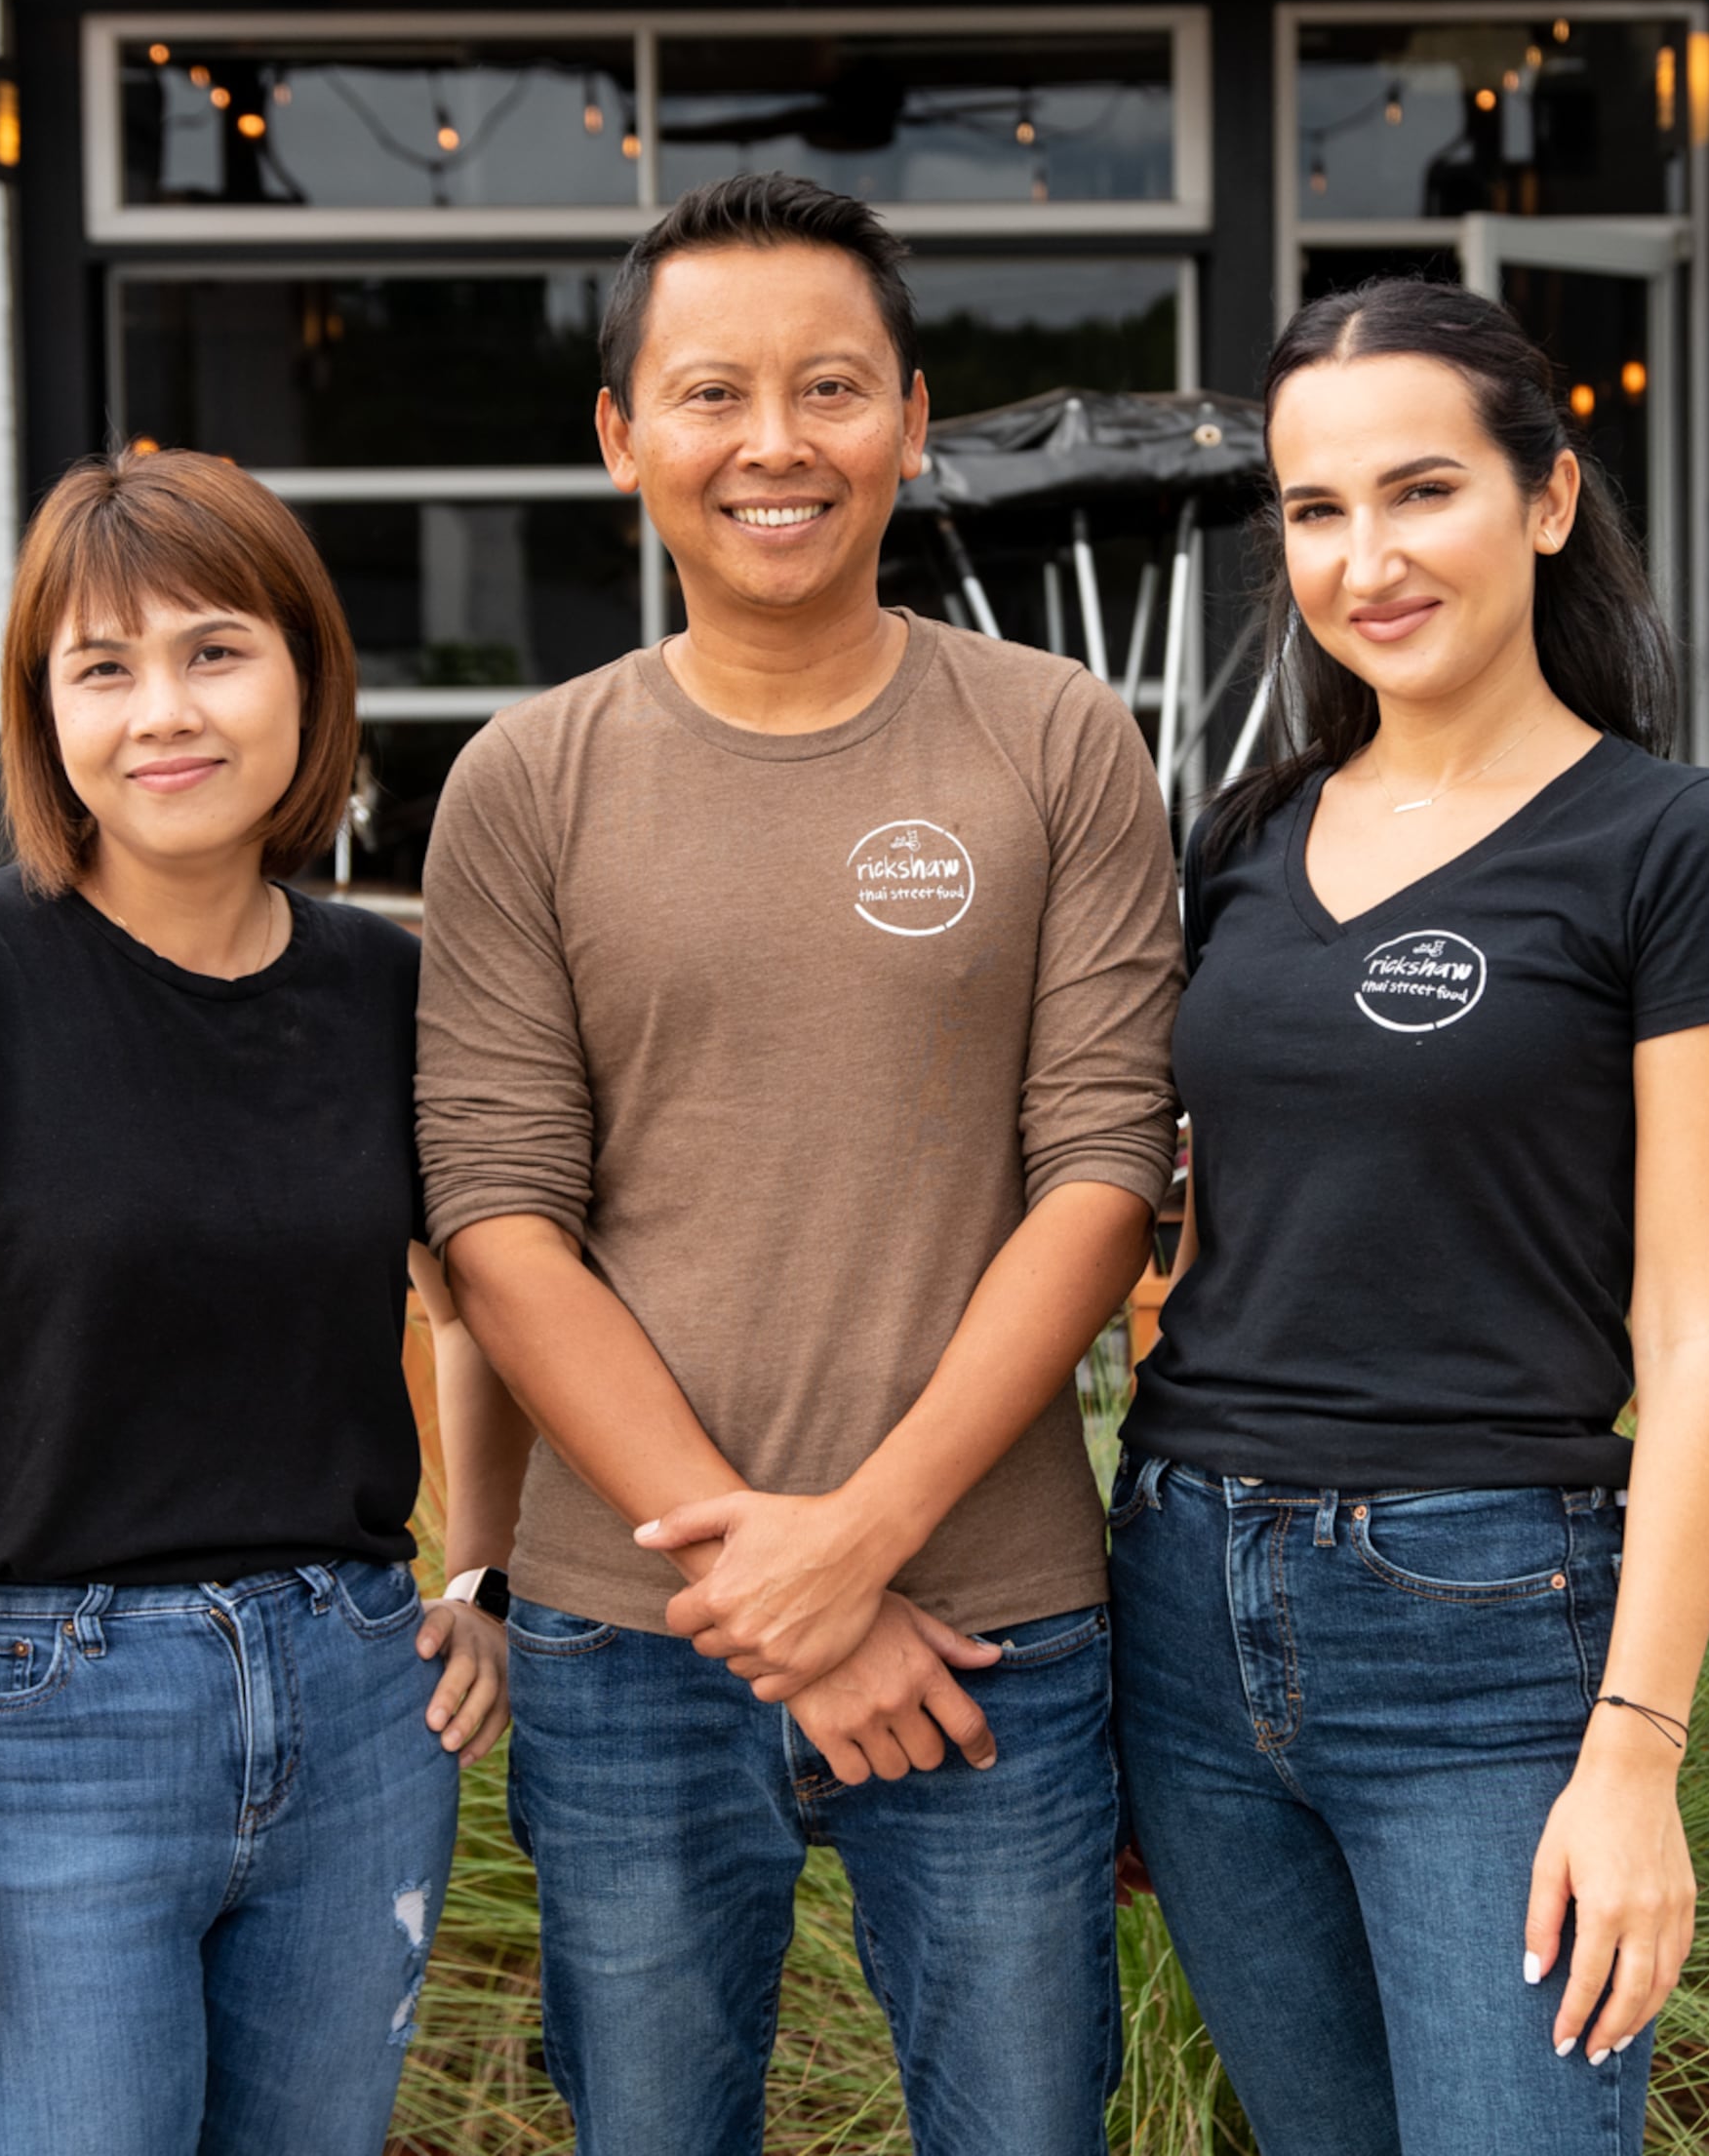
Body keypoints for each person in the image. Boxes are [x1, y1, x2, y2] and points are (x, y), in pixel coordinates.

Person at [417, 173, 1181, 2156]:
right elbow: (499, 1220)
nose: (775, 443)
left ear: (913, 419)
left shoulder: (1056, 739)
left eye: (831, 386)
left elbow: (1099, 1174)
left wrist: (861, 1546)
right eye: (710, 393)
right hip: (623, 1633)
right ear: (621, 438)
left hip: (995, 1610)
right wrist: (787, 1588)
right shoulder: (526, 781)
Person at [0, 448, 525, 2156]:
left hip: (351, 1703)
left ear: (306, 676)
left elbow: (478, 1304)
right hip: (35, 1732)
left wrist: (483, 1570)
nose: (161, 713)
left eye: (213, 651)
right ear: (45, 715)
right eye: (101, 669)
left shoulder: (385, 986)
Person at [1113, 278, 1709, 2156]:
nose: (1365, 559)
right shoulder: (1246, 838)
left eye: (1422, 493)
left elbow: (1701, 1333)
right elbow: (1184, 1228)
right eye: (1315, 511)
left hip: (1486, 1630)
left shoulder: (1671, 846)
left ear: (1550, 498)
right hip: (1186, 1593)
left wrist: (1636, 1754)